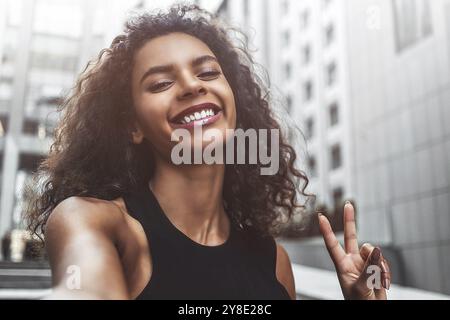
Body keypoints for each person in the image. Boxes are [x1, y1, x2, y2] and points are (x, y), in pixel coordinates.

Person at [25, 5, 390, 300]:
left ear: (234, 104)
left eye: (208, 72)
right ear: (132, 127)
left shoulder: (274, 261)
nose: (191, 86)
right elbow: (81, 289)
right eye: (162, 83)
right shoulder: (94, 221)